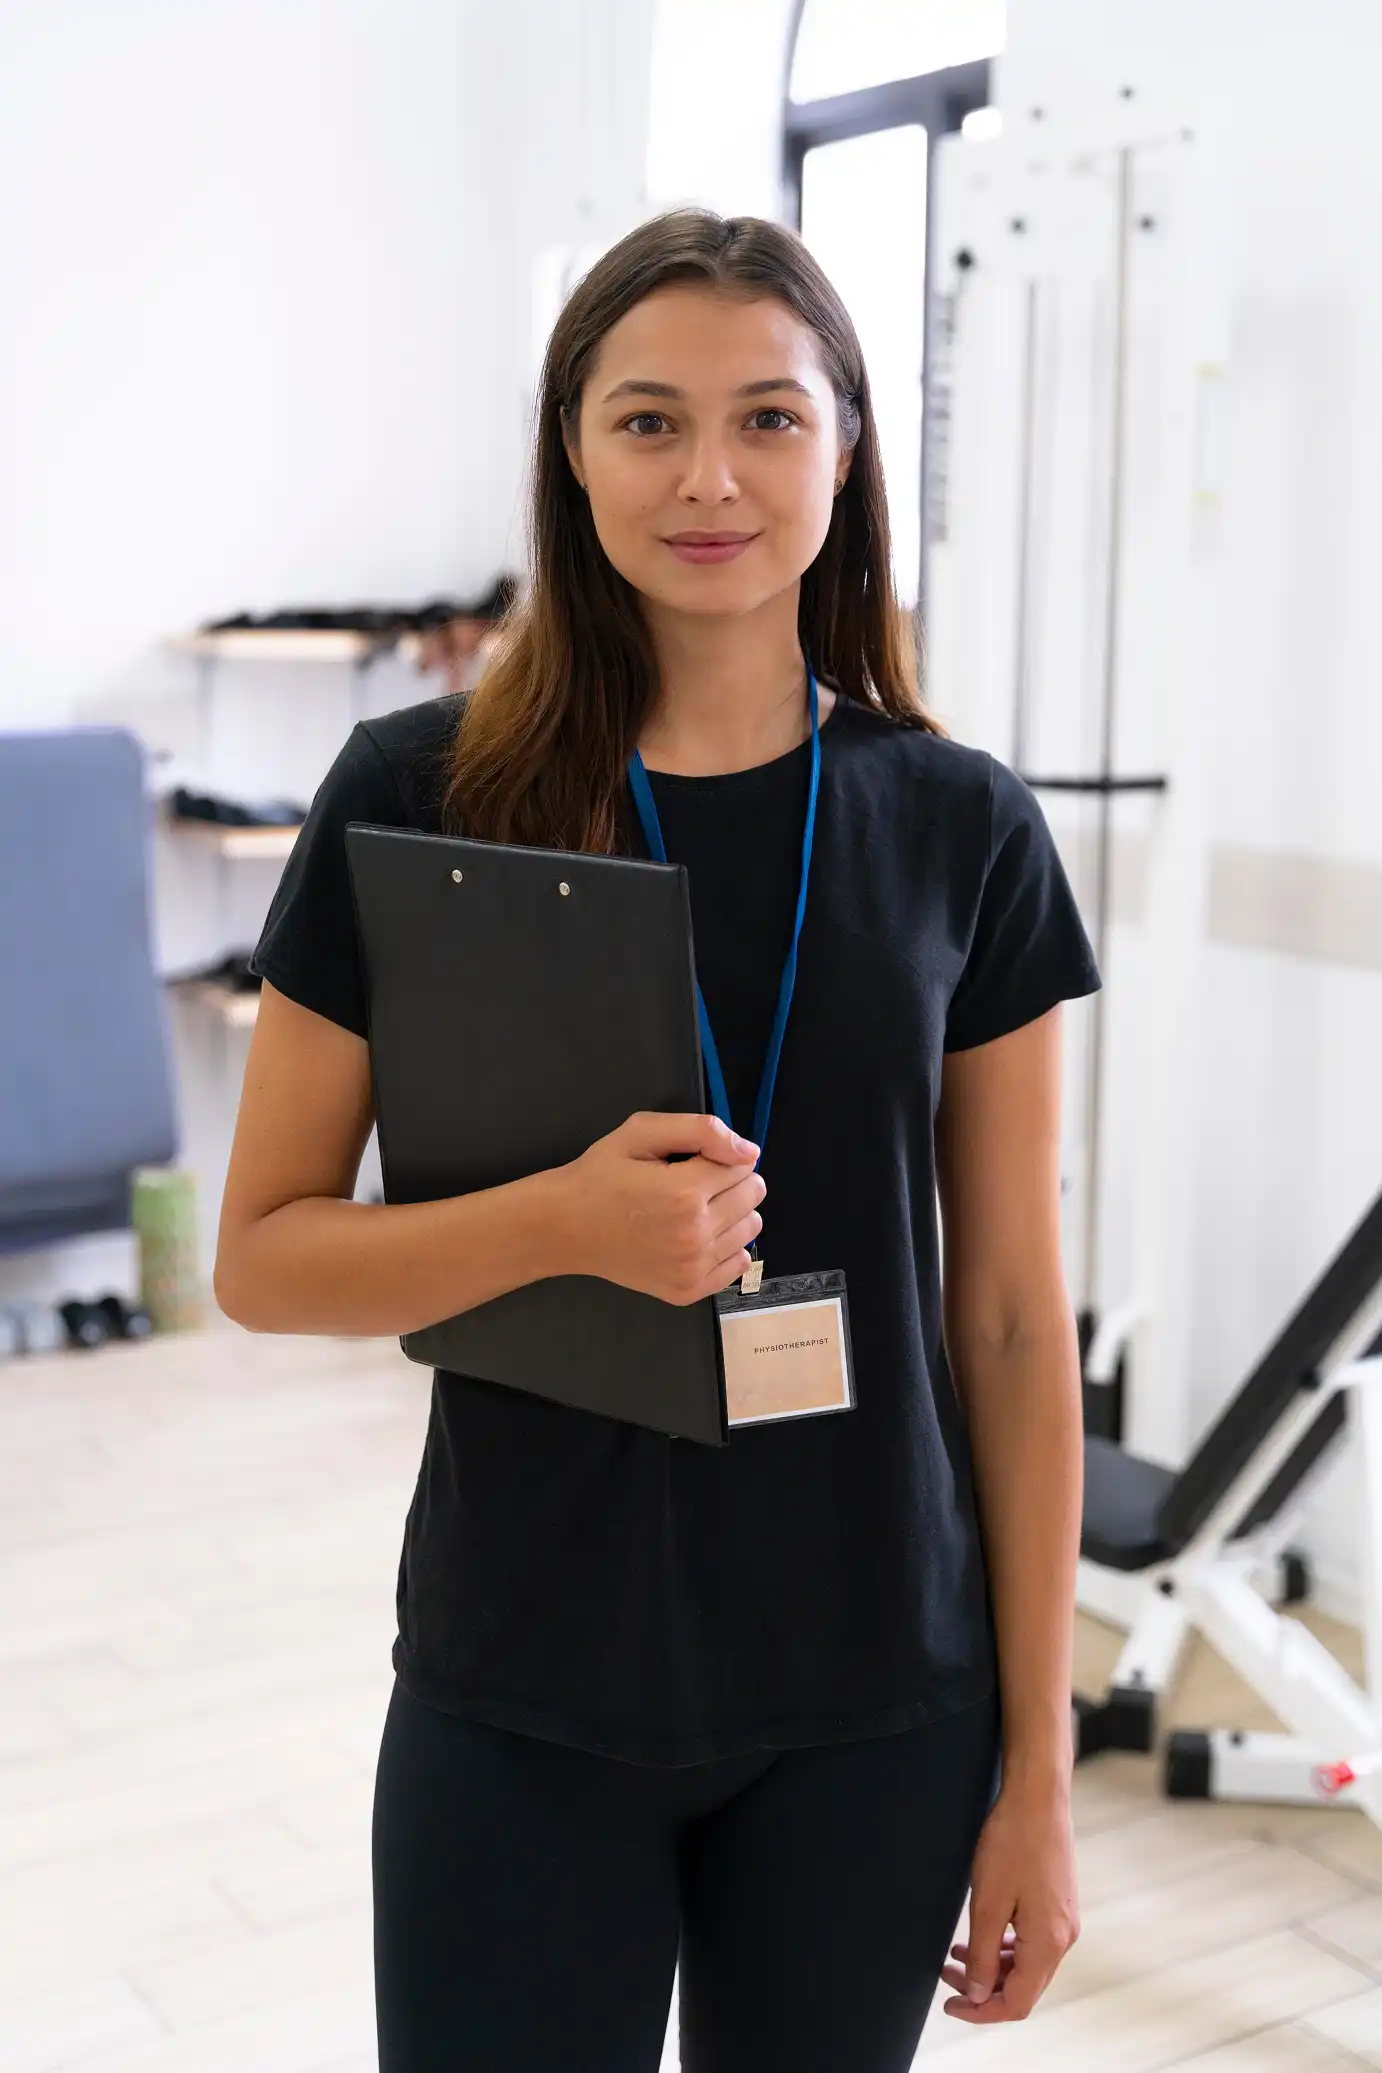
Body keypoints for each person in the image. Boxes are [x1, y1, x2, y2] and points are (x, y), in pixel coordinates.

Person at [215, 208, 1100, 2073]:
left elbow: (1013, 1326)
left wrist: (1040, 1768)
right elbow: (266, 1256)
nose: (708, 476)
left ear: (847, 452)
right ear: (570, 451)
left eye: (769, 420)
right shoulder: (419, 795)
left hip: (874, 1700)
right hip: (523, 1682)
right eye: (645, 421)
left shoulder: (962, 828)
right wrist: (556, 1224)